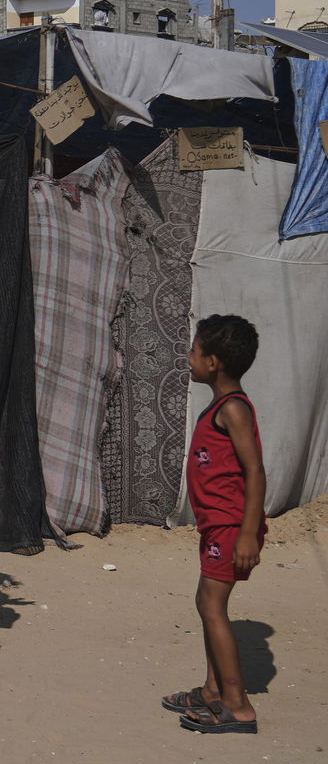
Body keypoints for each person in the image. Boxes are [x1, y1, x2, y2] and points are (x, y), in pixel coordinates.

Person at [163, 314, 266, 735]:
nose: (188, 357)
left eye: (195, 350)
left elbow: (255, 472)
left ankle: (238, 706)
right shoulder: (221, 405)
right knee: (207, 605)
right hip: (218, 527)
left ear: (214, 362)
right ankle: (212, 690)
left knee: (211, 607)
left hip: (230, 528)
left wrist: (246, 533)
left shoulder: (234, 409)